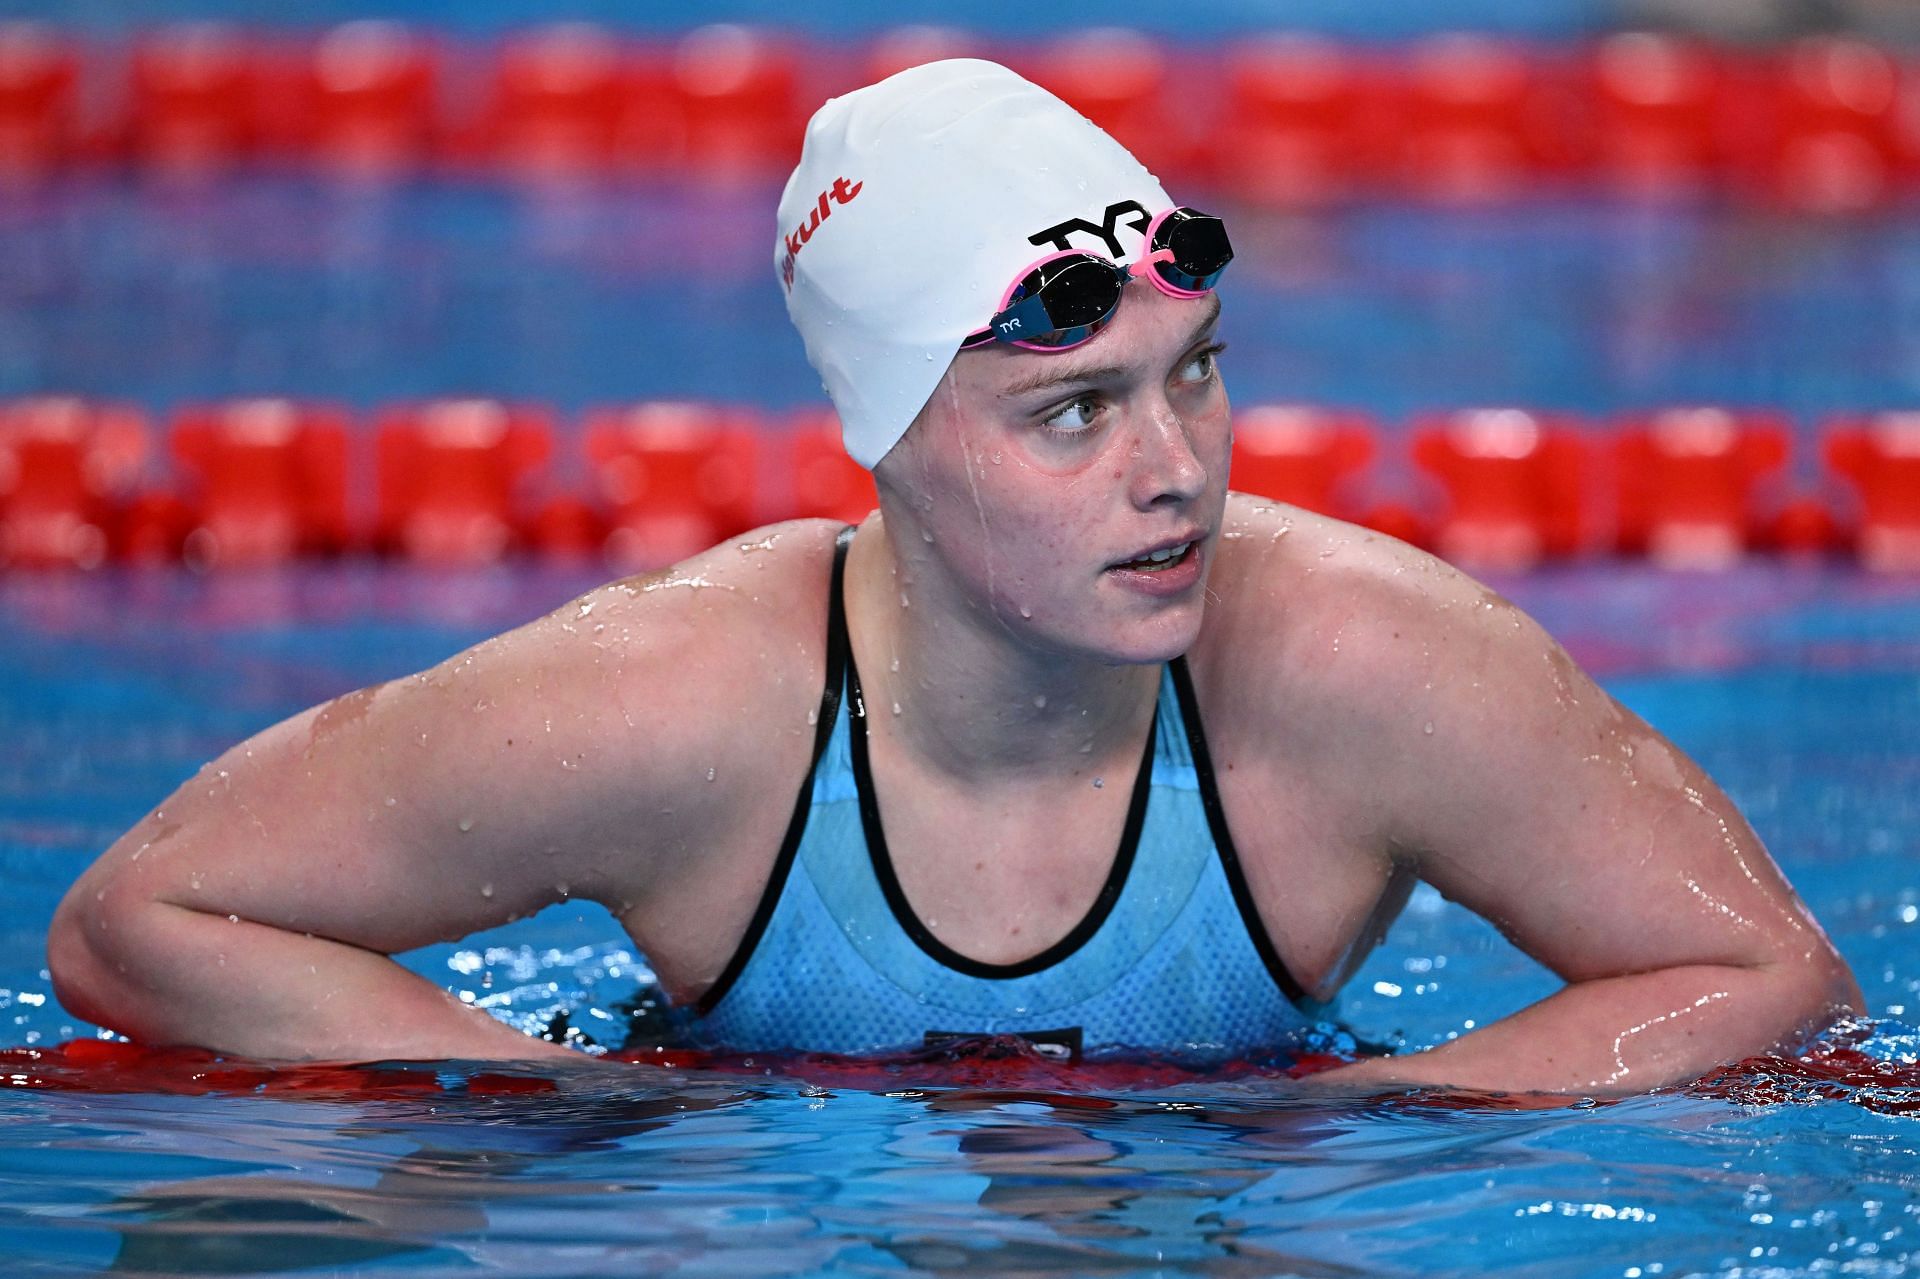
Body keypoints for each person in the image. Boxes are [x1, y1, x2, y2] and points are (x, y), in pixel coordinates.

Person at [48, 60, 1859, 1095]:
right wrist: (552, 1106)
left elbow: (1766, 975)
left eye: (1196, 371)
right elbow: (139, 922)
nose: (1179, 469)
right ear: (886, 441)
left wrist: (1378, 1119)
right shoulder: (676, 708)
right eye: (1072, 413)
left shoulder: (1367, 664)